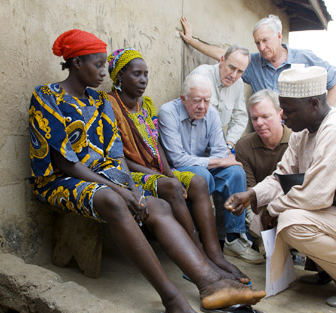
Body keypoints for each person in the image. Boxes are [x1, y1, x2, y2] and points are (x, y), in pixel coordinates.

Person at [28, 30, 265, 313]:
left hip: (104, 178)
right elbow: (65, 162)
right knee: (115, 200)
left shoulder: (100, 102)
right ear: (75, 63)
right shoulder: (47, 96)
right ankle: (173, 299)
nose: (103, 72)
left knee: (156, 205)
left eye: (104, 65)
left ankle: (210, 282)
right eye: (98, 65)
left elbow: (114, 157)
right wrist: (119, 190)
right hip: (60, 180)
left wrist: (133, 189)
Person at [225, 66, 336, 309]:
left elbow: (315, 195)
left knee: (291, 222)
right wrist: (252, 195)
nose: (283, 117)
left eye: (289, 111)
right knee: (273, 212)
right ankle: (330, 271)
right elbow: (282, 176)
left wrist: (272, 209)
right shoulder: (303, 132)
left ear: (313, 104)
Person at [106, 47, 246, 279]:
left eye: (146, 74)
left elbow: (157, 146)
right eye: (136, 74)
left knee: (199, 182)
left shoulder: (146, 105)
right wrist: (168, 177)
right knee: (181, 183)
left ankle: (216, 254)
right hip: (128, 172)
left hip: (156, 170)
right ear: (120, 76)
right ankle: (198, 254)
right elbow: (119, 156)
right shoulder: (110, 105)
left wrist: (169, 174)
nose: (143, 81)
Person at [158, 73, 264, 264]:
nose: (203, 107)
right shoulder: (168, 112)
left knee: (235, 172)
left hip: (203, 165)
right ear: (183, 99)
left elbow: (220, 152)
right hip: (174, 170)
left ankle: (233, 238)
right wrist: (220, 161)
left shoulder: (211, 113)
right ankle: (198, 239)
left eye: (207, 100)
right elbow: (177, 159)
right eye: (197, 101)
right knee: (201, 176)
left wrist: (221, 161)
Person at [179, 15, 336, 105]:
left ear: (279, 36)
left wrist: (325, 116)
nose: (261, 47)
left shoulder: (305, 58)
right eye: (257, 42)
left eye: (265, 41)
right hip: (268, 135)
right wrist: (192, 41)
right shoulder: (254, 63)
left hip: (299, 132)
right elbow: (223, 54)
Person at [234, 89, 291, 236]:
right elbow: (250, 190)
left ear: (280, 114)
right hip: (257, 202)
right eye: (254, 118)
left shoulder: (296, 140)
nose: (259, 123)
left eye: (266, 117)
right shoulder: (244, 146)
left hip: (290, 202)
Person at [189, 45, 249, 149]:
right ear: (222, 60)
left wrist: (229, 144)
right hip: (192, 142)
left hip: (218, 144)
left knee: (238, 166)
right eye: (232, 68)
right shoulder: (201, 75)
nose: (234, 75)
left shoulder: (238, 84)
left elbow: (240, 117)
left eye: (240, 72)